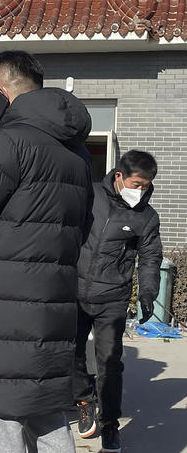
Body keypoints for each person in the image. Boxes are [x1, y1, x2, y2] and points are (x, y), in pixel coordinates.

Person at [0, 50, 93, 452]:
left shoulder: (10, 140)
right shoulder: (77, 154)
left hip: (0, 316)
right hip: (52, 314)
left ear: (0, 95)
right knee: (45, 417)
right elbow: (84, 227)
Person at [73, 150, 162, 452]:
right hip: (74, 290)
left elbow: (150, 257)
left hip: (112, 295)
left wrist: (148, 293)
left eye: (147, 186)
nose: (141, 191)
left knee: (110, 362)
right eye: (137, 184)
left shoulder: (146, 217)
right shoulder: (90, 195)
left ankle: (110, 424)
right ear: (120, 176)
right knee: (70, 353)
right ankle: (85, 401)